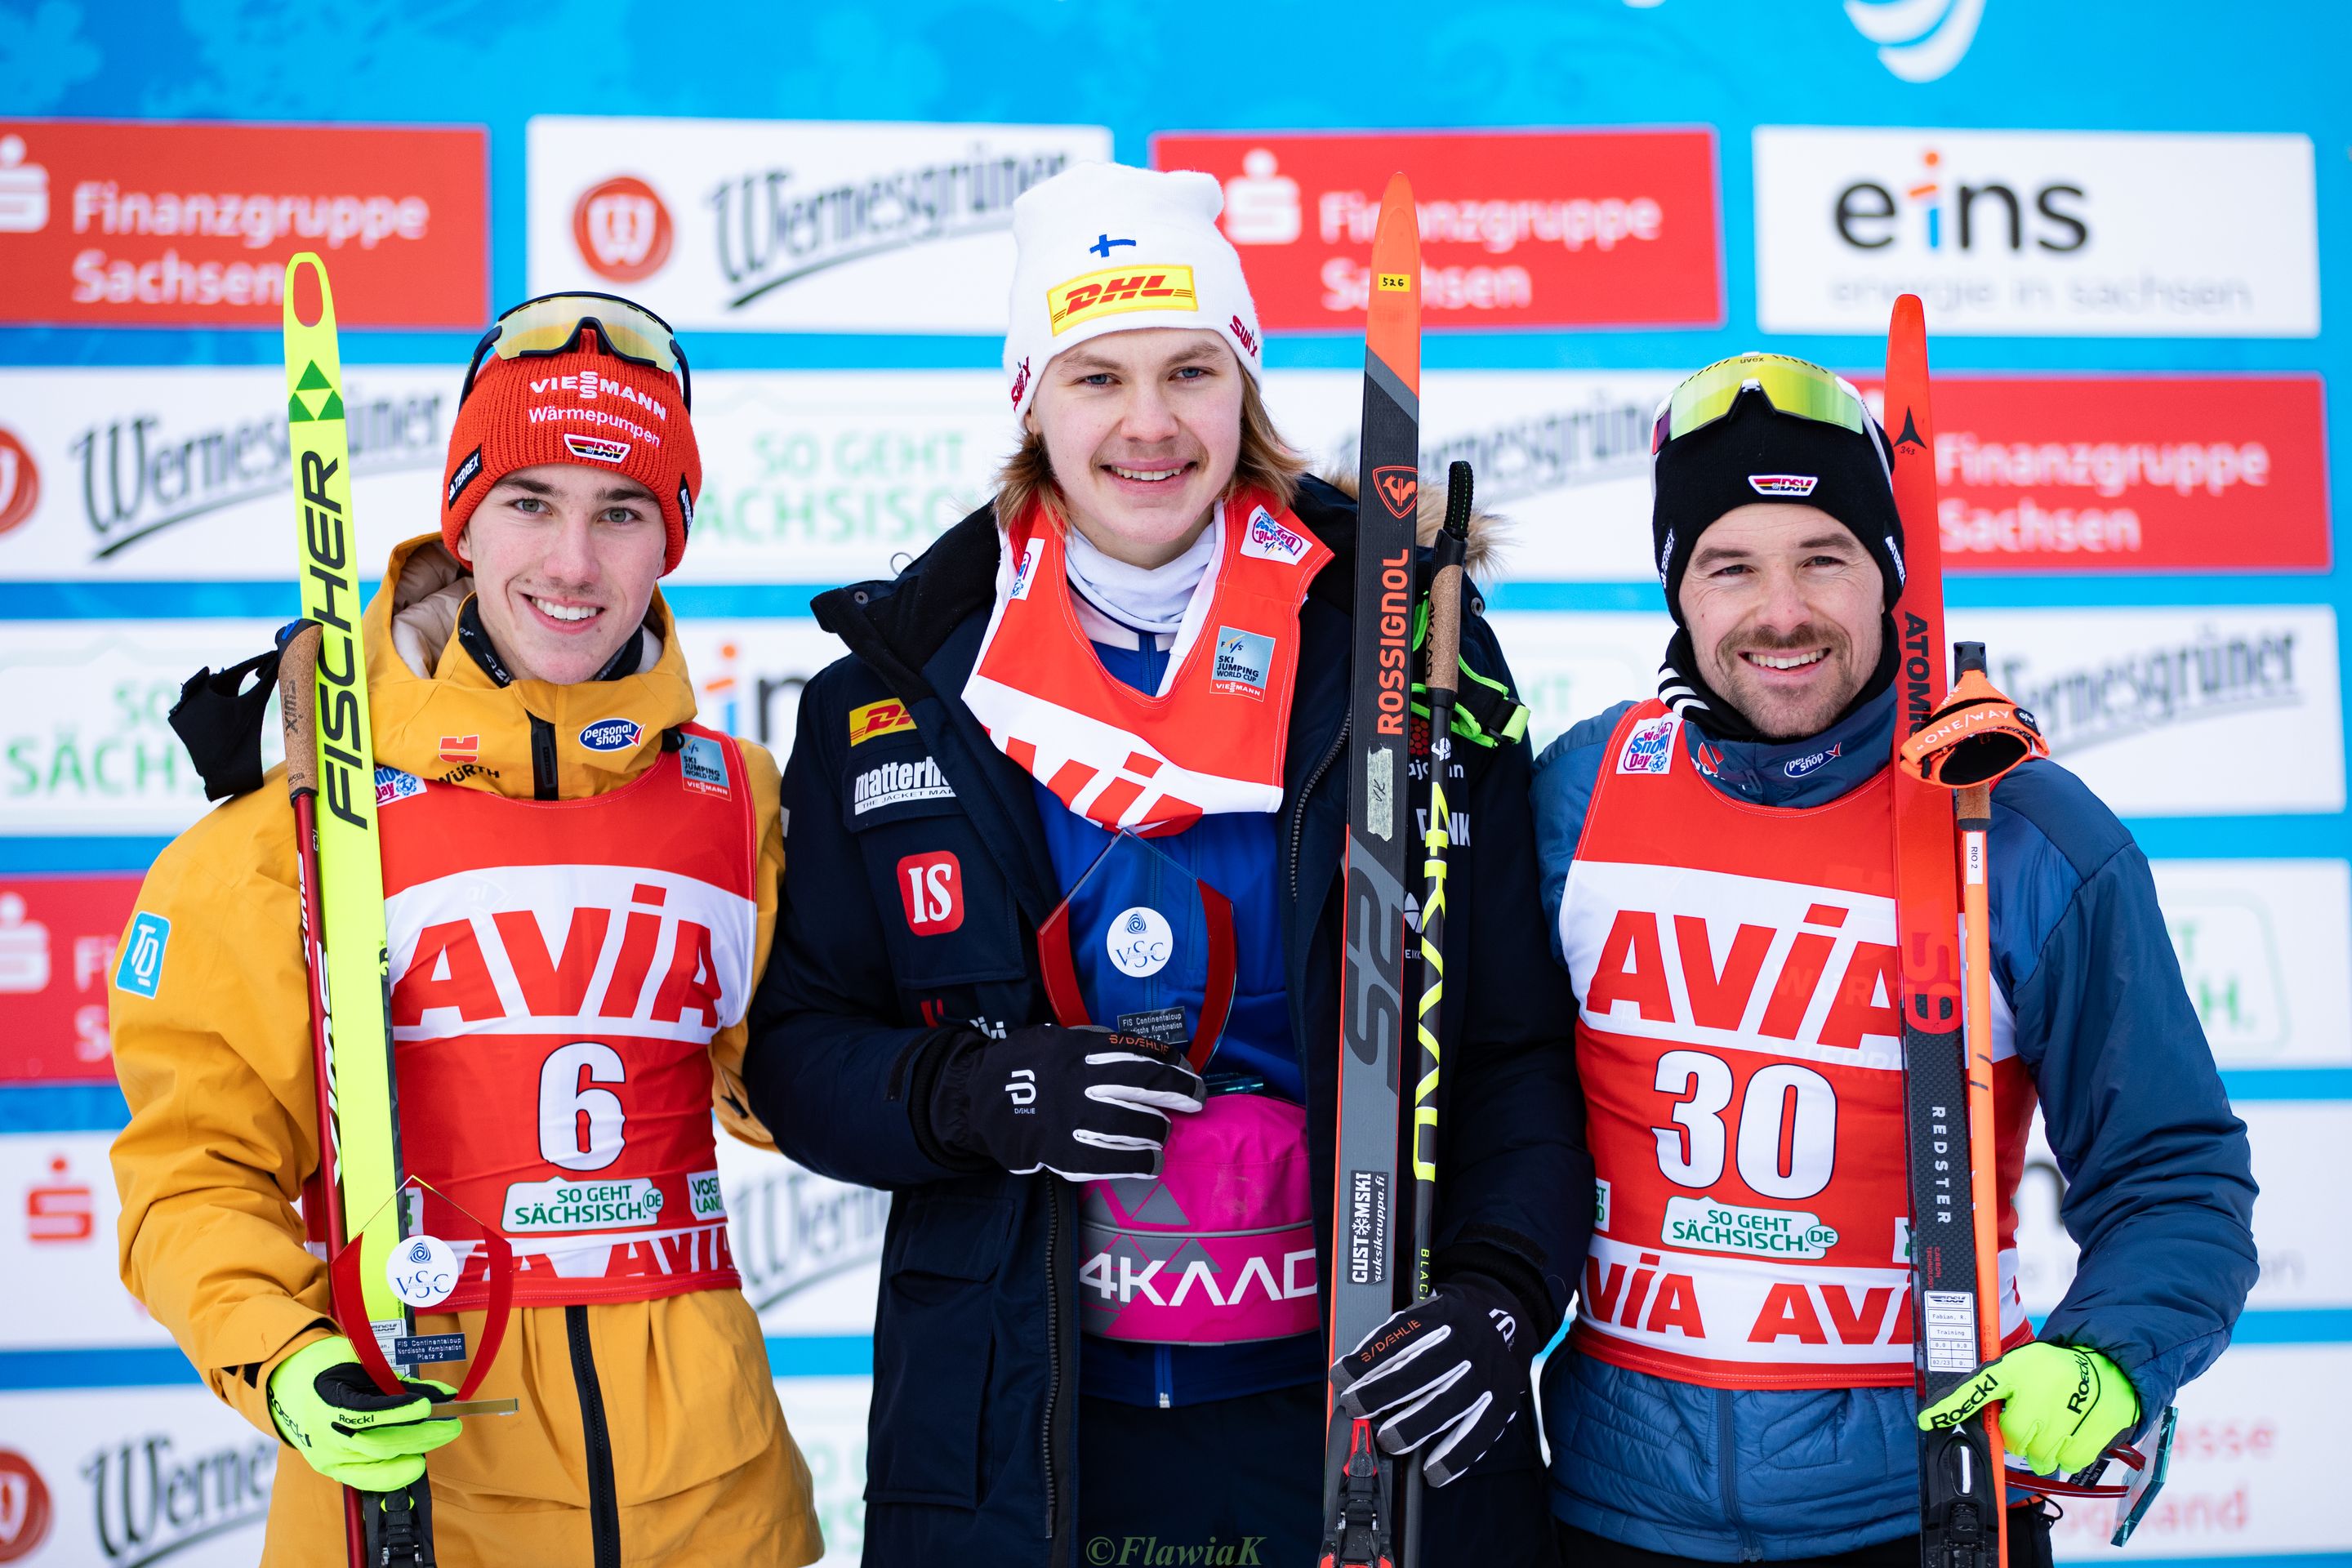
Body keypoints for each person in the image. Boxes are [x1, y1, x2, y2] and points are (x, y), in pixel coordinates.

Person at [742, 161, 1588, 1566]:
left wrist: (1502, 1289)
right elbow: (800, 1056)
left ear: (1242, 384)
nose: (1149, 424)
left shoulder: (1404, 653)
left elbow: (1507, 1044)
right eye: (1097, 378)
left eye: (1190, 370)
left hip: (1357, 1419)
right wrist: (984, 1091)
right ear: (1032, 398)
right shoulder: (896, 693)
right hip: (1035, 1438)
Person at [109, 293, 823, 1567]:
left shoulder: (742, 802)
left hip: (718, 1504)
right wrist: (283, 1360)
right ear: (463, 518)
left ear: (673, 540)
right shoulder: (294, 834)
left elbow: (800, 1085)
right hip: (424, 1486)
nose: (571, 562)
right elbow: (192, 1175)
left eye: (622, 512)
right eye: (530, 502)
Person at [1522, 354, 2258, 1566]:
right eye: (1731, 566)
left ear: (1889, 578)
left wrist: (2108, 1364)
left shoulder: (2023, 833)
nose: (1782, 612)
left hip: (1930, 1505)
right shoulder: (1579, 798)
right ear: (1677, 590)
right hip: (1610, 1509)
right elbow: (1493, 1099)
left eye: (1825, 558)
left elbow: (2174, 1171)